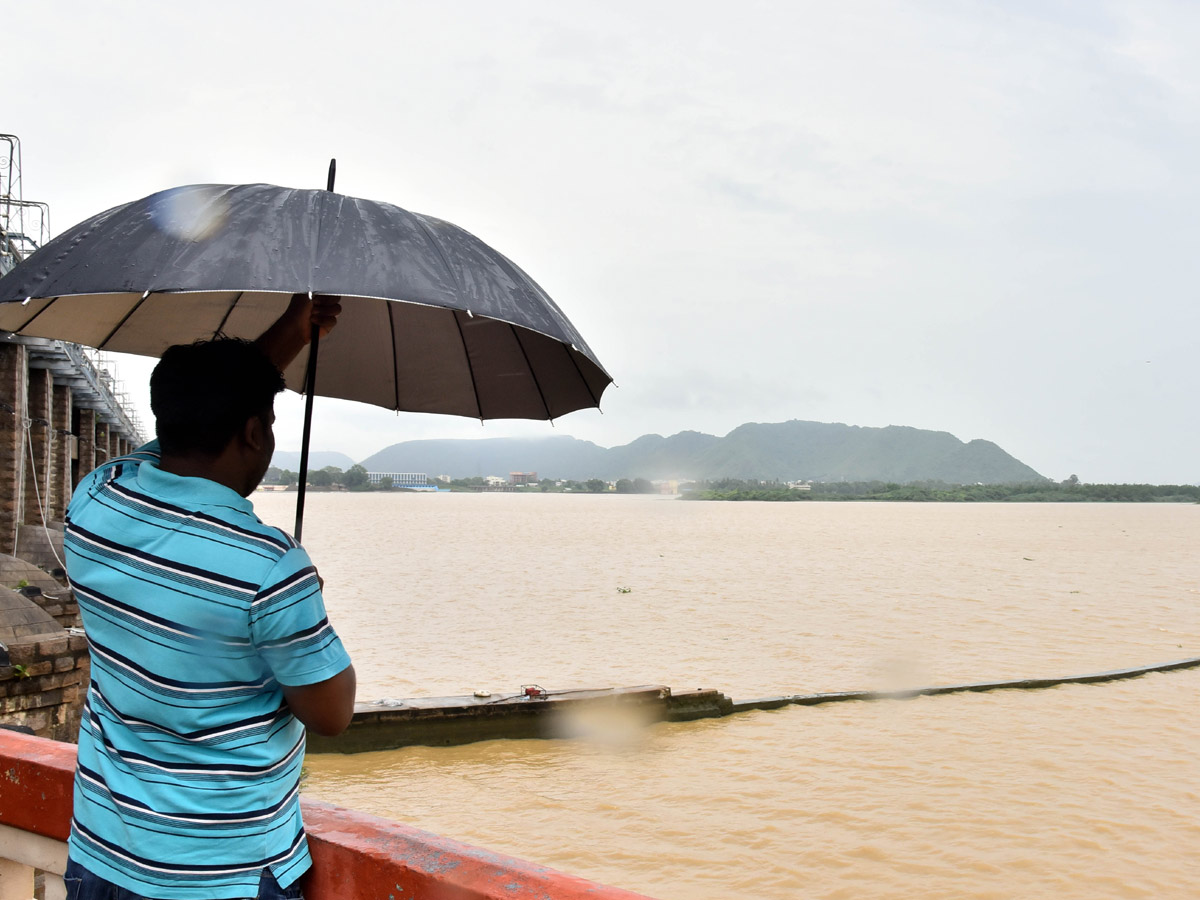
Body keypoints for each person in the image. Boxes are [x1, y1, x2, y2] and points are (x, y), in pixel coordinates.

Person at [61, 295, 356, 900]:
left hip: (102, 852)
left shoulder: (95, 497)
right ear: (254, 431)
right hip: (223, 872)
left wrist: (288, 333)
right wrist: (302, 607)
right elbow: (332, 714)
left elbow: (192, 431)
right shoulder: (271, 567)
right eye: (266, 423)